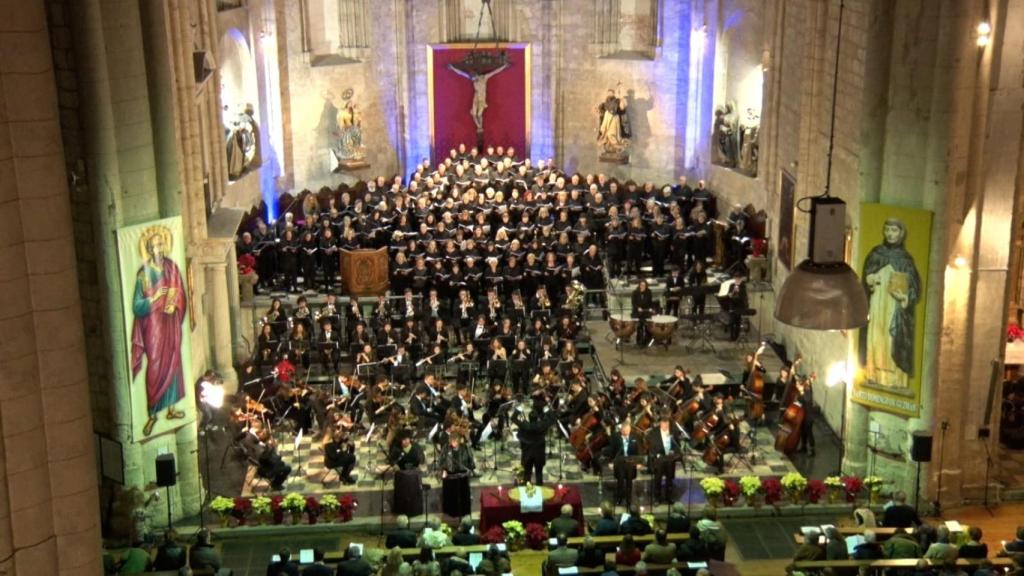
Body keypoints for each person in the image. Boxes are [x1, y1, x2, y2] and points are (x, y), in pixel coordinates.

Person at [130, 225, 188, 437]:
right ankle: (152, 413)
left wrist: (175, 300)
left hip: (170, 322)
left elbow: (180, 291)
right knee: (155, 365)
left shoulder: (172, 267)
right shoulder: (143, 275)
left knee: (174, 362)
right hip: (154, 328)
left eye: (162, 244)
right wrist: (155, 297)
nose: (160, 248)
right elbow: (137, 306)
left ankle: (172, 408)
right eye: (156, 245)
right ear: (150, 249)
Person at [860, 217, 922, 389]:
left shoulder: (905, 259)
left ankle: (895, 379)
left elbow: (914, 286)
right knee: (876, 337)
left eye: (894, 230)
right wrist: (870, 278)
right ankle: (873, 373)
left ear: (901, 233)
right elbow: (865, 278)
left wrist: (905, 297)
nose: (890, 234)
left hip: (895, 307)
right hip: (877, 303)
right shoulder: (876, 253)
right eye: (887, 229)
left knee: (891, 339)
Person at [514, 404, 555, 485]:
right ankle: (540, 491)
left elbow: (513, 418)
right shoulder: (542, 425)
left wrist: (518, 410)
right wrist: (547, 409)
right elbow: (553, 419)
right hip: (539, 454)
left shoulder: (525, 425)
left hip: (527, 454)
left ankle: (527, 492)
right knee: (539, 475)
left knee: (527, 475)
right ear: (537, 418)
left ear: (529, 418)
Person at [646, 414, 680, 504]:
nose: (665, 426)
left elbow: (677, 445)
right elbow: (652, 446)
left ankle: (668, 497)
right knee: (658, 479)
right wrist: (657, 455)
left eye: (667, 424)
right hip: (659, 459)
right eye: (664, 424)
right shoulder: (654, 432)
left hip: (670, 459)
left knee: (669, 480)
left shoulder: (673, 432)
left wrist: (674, 451)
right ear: (660, 424)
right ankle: (657, 498)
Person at [609, 420, 641, 505]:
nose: (626, 433)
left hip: (631, 462)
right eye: (624, 431)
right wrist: (611, 462)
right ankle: (619, 498)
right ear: (621, 430)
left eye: (628, 431)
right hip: (620, 463)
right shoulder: (616, 437)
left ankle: (629, 499)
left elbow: (638, 450)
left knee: (629, 481)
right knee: (620, 481)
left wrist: (638, 462)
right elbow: (612, 451)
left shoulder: (635, 437)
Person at [631, 280, 655, 346]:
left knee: (648, 323)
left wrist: (651, 309)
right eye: (641, 285)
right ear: (639, 285)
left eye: (644, 285)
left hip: (645, 311)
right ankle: (639, 339)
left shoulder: (649, 292)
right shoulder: (635, 292)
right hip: (637, 311)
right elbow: (633, 303)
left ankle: (648, 339)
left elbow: (650, 302)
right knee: (640, 324)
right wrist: (638, 308)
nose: (642, 287)